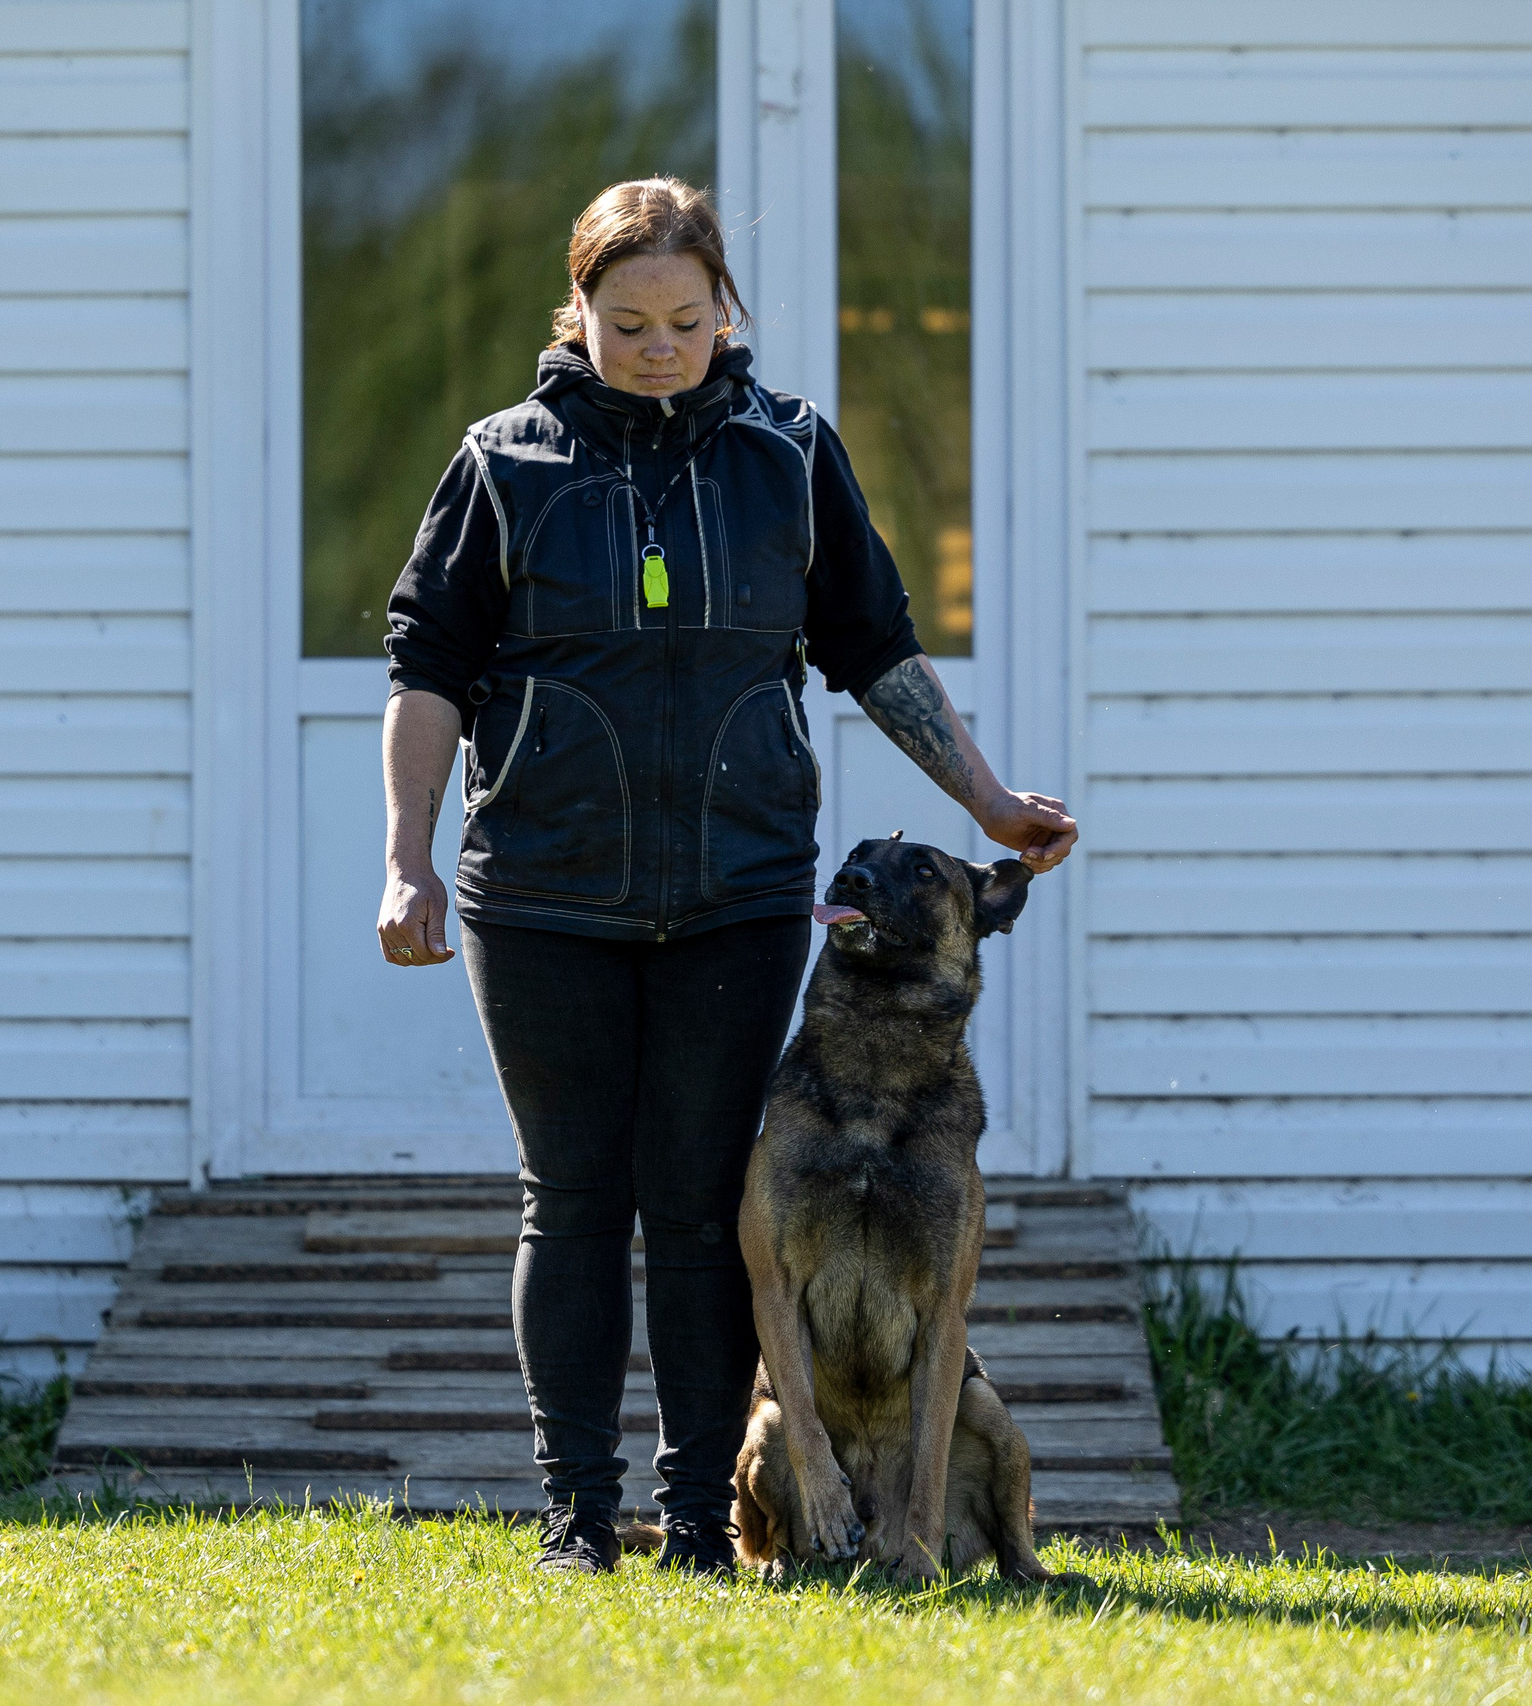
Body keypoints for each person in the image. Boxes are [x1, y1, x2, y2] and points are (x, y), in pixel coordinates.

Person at [374, 177, 1076, 1575]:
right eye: (624, 320)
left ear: (724, 312)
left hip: (741, 893)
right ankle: (580, 1514)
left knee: (702, 1202)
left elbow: (874, 647)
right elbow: (426, 670)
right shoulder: (502, 463)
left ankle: (701, 1514)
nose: (655, 346)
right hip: (542, 892)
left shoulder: (786, 455)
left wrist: (990, 801)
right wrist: (407, 864)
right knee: (570, 1197)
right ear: (576, 312)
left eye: (684, 320)